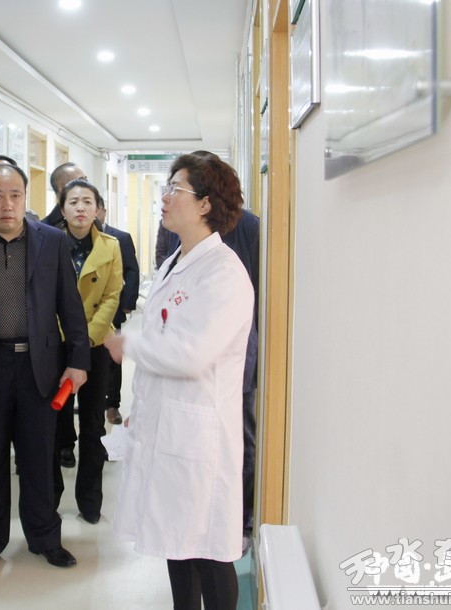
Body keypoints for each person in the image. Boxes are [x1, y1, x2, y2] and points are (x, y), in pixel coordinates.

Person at [104, 153, 254, 610]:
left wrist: (128, 345)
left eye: (175, 189)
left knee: (208, 552)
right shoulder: (175, 260)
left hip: (198, 435)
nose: (164, 198)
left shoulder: (224, 271)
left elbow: (192, 353)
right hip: (168, 424)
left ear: (206, 204)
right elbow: (165, 333)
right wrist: (141, 412)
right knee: (177, 541)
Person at [0, 163, 89, 576]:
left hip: (41, 367)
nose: (7, 204)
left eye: (15, 195)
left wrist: (77, 361)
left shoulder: (51, 240)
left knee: (40, 458)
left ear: (25, 198)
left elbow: (70, 305)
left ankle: (45, 538)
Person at [190, 151, 260, 547]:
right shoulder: (180, 230)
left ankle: (241, 520)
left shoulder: (248, 228)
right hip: (192, 356)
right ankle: (201, 514)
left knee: (239, 437)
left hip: (235, 356)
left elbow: (257, 296)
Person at [52, 179, 123, 524]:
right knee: (54, 424)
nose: (80, 208)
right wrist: (67, 337)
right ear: (62, 208)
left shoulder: (111, 246)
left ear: (98, 209)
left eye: (87, 202)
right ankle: (49, 499)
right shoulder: (47, 242)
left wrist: (89, 337)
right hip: (56, 345)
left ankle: (90, 501)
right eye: (73, 202)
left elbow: (112, 296)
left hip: (95, 347)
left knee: (93, 426)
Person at [42, 161, 89, 468]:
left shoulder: (100, 227)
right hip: (54, 333)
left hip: (93, 331)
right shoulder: (44, 231)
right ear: (61, 190)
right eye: (78, 180)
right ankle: (63, 445)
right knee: (58, 396)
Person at [94, 193, 139, 426]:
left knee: (113, 358)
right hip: (86, 311)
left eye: (95, 208)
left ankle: (112, 404)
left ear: (103, 211)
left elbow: (132, 271)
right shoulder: (74, 237)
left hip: (113, 308)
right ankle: (92, 400)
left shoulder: (120, 238)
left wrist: (127, 302)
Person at [42, 161, 88, 227]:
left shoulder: (94, 221)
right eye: (81, 180)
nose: (87, 185)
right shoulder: (45, 228)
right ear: (62, 188)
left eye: (86, 180)